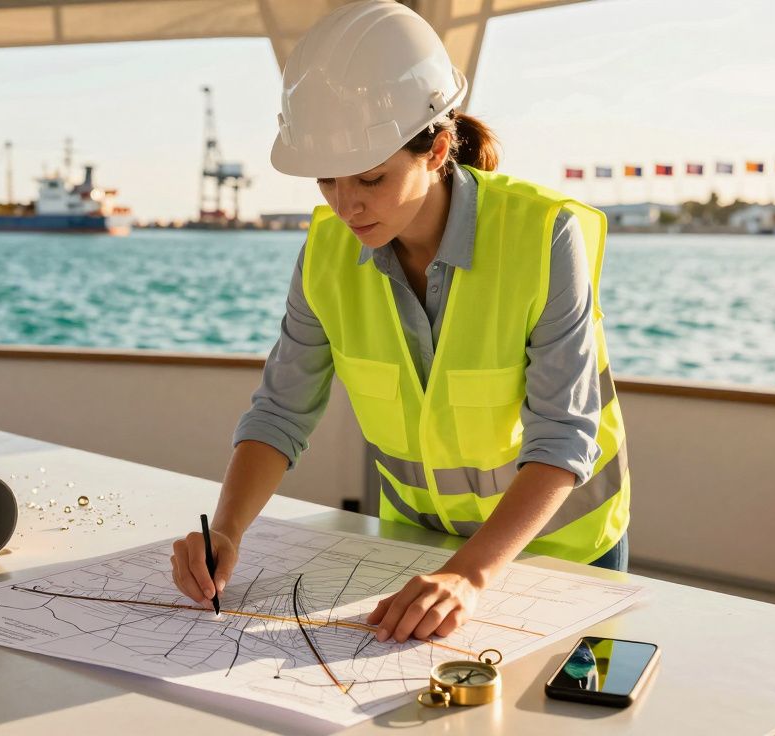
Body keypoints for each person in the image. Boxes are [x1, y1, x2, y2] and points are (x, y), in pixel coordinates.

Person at [171, 0, 630, 646]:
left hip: (566, 555)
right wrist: (226, 530)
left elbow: (563, 438)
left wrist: (469, 577)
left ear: (438, 148)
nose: (345, 204)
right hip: (415, 556)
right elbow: (280, 413)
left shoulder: (543, 236)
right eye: (326, 179)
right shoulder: (327, 253)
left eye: (370, 178)